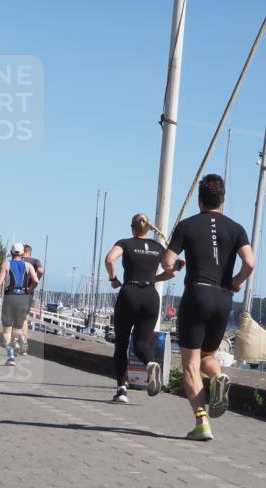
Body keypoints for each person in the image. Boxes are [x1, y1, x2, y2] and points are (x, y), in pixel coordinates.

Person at [160, 174, 255, 441]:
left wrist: (175, 267)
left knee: (190, 364)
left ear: (200, 199)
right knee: (207, 357)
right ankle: (218, 378)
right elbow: (250, 263)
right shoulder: (236, 229)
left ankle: (201, 422)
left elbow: (167, 262)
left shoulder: (186, 225)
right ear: (222, 199)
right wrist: (236, 282)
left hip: (197, 294)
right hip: (222, 298)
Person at [104, 213, 181, 404]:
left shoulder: (125, 243)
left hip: (129, 293)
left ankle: (122, 390)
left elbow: (109, 259)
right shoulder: (158, 247)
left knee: (121, 344)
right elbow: (171, 272)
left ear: (133, 227)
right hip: (150, 296)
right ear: (148, 229)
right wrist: (157, 277)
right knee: (142, 344)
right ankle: (151, 364)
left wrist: (113, 279)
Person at [0, 242, 40, 366]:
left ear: (11, 252)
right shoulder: (28, 265)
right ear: (22, 253)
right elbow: (36, 281)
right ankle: (21, 338)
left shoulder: (6, 264)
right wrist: (29, 289)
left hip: (10, 297)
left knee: (6, 330)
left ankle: (10, 357)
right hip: (23, 298)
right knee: (18, 328)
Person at [19, 244, 45, 355]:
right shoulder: (35, 261)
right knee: (24, 319)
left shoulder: (16, 260)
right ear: (30, 252)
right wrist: (34, 284)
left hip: (14, 292)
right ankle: (23, 343)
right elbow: (41, 271)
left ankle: (15, 342)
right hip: (28, 292)